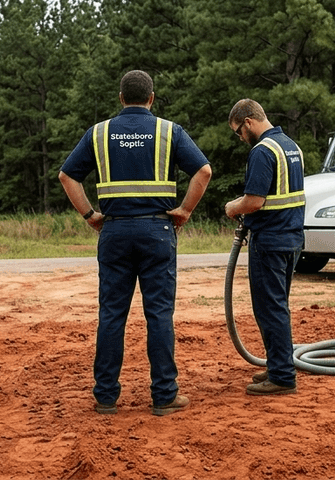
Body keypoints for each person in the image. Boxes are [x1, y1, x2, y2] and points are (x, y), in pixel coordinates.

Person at [58, 70, 212, 417]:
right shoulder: (169, 131)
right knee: (159, 314)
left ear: (121, 98)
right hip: (158, 231)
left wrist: (90, 215)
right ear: (152, 99)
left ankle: (106, 397)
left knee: (112, 314)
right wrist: (184, 211)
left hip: (113, 232)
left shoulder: (98, 133)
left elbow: (67, 175)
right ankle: (164, 395)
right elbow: (203, 171)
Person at [223, 99, 305, 396]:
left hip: (270, 241)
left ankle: (282, 376)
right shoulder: (291, 147)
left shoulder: (262, 151)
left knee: (270, 309)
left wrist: (233, 207)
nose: (240, 139)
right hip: (292, 239)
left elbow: (254, 201)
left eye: (238, 132)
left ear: (247, 122)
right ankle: (277, 364)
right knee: (277, 306)